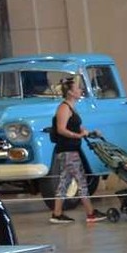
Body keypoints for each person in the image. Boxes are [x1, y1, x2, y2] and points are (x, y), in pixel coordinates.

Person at [47, 76, 103, 226]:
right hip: (67, 150)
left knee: (64, 182)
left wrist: (90, 133)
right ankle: (90, 213)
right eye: (77, 88)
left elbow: (76, 127)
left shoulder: (72, 108)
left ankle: (57, 213)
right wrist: (77, 135)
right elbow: (61, 129)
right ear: (70, 93)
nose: (80, 90)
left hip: (71, 149)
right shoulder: (64, 108)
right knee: (81, 181)